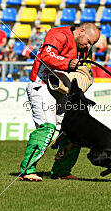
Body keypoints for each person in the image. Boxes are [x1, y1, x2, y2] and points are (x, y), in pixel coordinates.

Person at [18, 23, 100, 181]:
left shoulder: (84, 49)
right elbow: (46, 56)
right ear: (81, 31)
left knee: (75, 130)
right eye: (89, 42)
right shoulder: (58, 34)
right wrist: (68, 63)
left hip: (62, 90)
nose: (89, 46)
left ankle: (62, 171)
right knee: (47, 128)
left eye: (93, 44)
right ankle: (27, 171)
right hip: (41, 86)